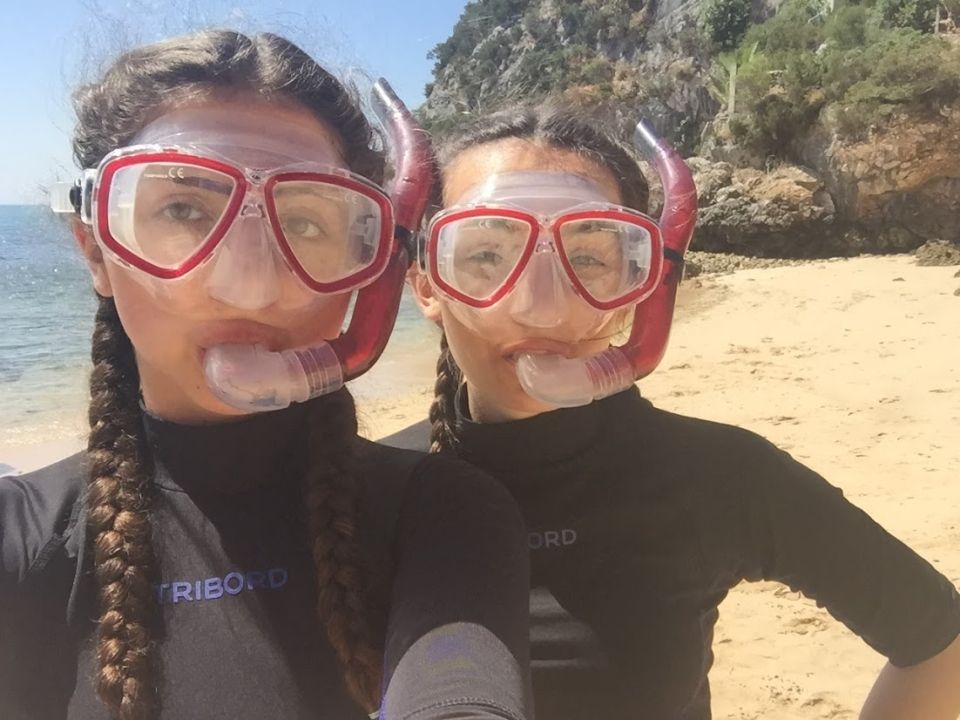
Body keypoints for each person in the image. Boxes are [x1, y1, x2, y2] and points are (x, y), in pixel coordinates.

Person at [0, 31, 532, 720]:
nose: (250, 287)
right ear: (97, 249)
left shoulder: (446, 513)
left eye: (307, 224)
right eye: (183, 210)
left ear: (364, 271)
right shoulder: (20, 542)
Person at [385, 104, 960, 719]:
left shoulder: (717, 474)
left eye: (587, 259)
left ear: (639, 285)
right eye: (485, 256)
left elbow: (939, 641)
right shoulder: (366, 487)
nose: (541, 307)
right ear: (427, 286)